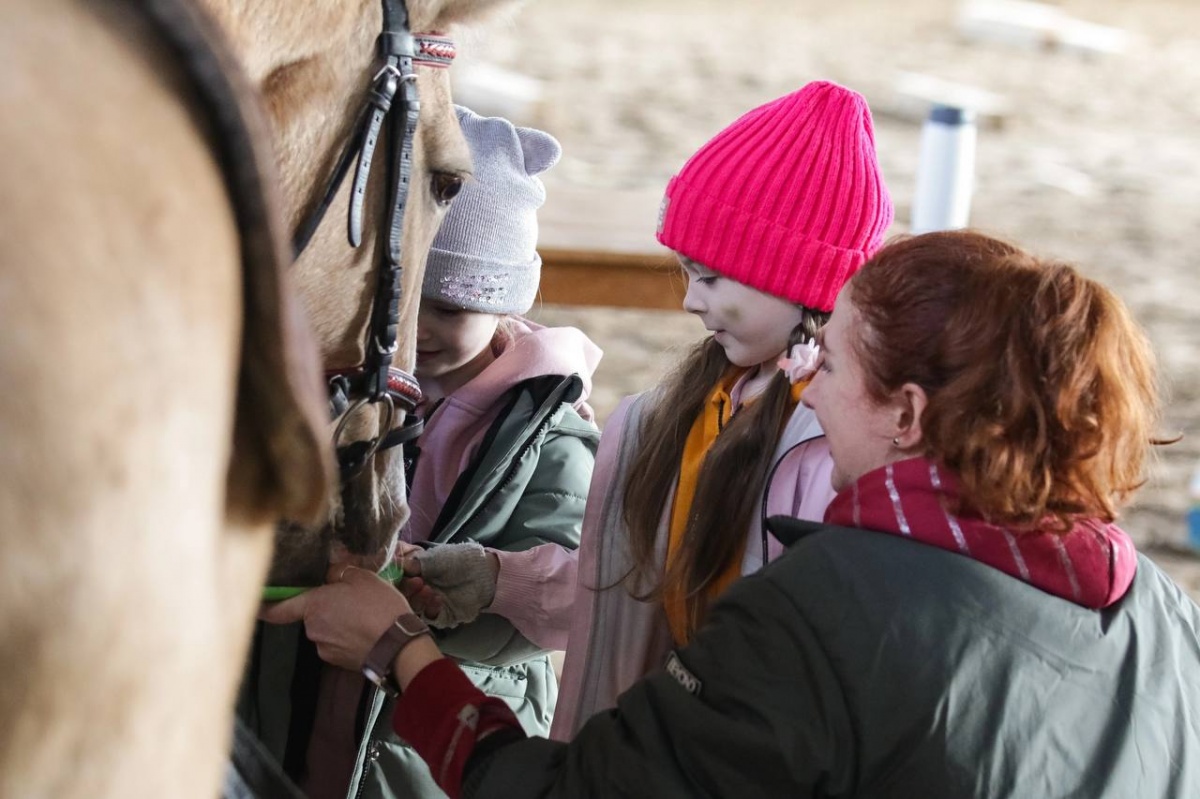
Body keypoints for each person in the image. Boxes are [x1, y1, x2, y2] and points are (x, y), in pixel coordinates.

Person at [264, 230, 1200, 798]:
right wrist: (508, 578)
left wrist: (399, 652)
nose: (805, 381)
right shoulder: (1163, 614)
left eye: (827, 362)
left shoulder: (826, 610)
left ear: (909, 414)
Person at [249, 106, 601, 799]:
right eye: (408, 301)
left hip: (435, 735)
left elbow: (563, 603)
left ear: (503, 304)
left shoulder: (550, 437)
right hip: (310, 693)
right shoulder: (350, 387)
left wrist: (443, 606)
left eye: (451, 307)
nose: (423, 330)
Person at [551, 79, 895, 737]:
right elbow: (626, 585)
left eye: (710, 277)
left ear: (795, 279)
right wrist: (495, 581)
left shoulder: (829, 444)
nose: (689, 302)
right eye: (687, 274)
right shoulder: (687, 406)